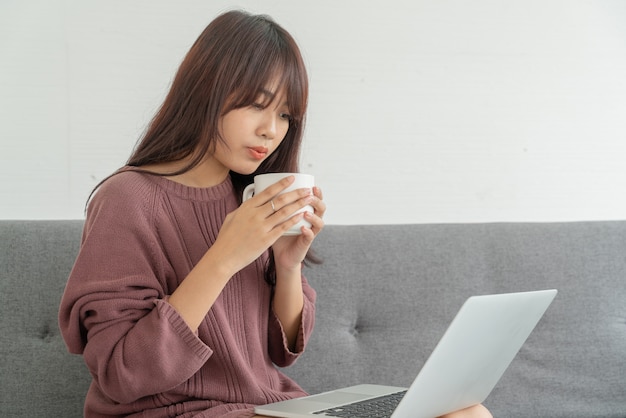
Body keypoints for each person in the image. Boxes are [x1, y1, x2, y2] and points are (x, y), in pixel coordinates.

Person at [59, 9, 491, 418]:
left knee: (469, 411)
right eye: (257, 105)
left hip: (268, 407)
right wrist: (225, 256)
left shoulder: (250, 199)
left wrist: (288, 265)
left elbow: (279, 351)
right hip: (173, 411)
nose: (272, 129)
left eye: (285, 113)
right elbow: (122, 372)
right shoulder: (128, 199)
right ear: (206, 90)